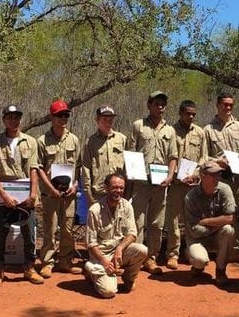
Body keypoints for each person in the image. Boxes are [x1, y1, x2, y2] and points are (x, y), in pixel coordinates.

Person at [0, 105, 44, 288]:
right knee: (1, 232)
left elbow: (34, 168)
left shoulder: (30, 142)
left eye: (17, 117)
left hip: (26, 195)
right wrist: (3, 195)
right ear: (4, 120)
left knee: (29, 233)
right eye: (9, 117)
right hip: (4, 195)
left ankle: (29, 267)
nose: (13, 120)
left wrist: (33, 194)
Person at [126, 91, 178, 274]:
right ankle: (137, 256)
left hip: (161, 183)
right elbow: (131, 152)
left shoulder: (170, 130)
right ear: (149, 105)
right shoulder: (138, 126)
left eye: (163, 103)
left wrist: (170, 176)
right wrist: (133, 175)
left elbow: (173, 156)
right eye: (156, 103)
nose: (160, 107)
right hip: (141, 182)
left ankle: (151, 258)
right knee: (138, 221)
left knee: (156, 223)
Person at [36, 99, 82, 278]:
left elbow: (78, 166)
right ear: (51, 117)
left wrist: (76, 185)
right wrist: (50, 188)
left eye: (66, 115)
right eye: (59, 116)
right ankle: (47, 262)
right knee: (50, 227)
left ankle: (65, 261)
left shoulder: (74, 139)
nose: (63, 119)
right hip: (50, 194)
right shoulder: (42, 141)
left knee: (68, 228)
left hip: (69, 194)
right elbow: (38, 168)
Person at [84, 174, 148, 298]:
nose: (118, 191)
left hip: (118, 252)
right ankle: (92, 271)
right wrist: (104, 261)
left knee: (142, 250)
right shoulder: (95, 210)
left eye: (121, 188)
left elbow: (132, 233)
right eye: (114, 187)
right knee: (109, 292)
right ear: (106, 188)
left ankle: (128, 278)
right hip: (102, 255)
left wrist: (120, 248)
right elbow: (91, 243)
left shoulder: (127, 206)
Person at [164, 100, 207, 270]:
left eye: (193, 114)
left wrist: (196, 175)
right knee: (173, 220)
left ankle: (191, 252)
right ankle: (172, 254)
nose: (190, 116)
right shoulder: (171, 131)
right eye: (187, 113)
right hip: (176, 184)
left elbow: (204, 157)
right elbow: (169, 156)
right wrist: (174, 175)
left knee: (192, 220)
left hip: (194, 185)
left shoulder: (200, 132)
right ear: (180, 113)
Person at [184, 160, 237, 286]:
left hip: (217, 235)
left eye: (218, 174)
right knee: (199, 260)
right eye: (213, 175)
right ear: (202, 175)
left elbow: (231, 218)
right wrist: (218, 224)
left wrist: (206, 221)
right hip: (197, 239)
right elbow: (194, 230)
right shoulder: (191, 197)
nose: (217, 178)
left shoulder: (225, 189)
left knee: (229, 230)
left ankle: (220, 269)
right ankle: (198, 267)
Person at [203, 92, 239, 205]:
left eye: (231, 105)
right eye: (225, 104)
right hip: (218, 179)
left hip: (238, 180)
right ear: (217, 105)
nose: (228, 107)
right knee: (221, 211)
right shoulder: (208, 130)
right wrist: (218, 161)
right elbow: (203, 157)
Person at [81, 105, 126, 206]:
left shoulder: (122, 139)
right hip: (99, 194)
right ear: (97, 120)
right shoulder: (90, 142)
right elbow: (86, 169)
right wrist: (89, 195)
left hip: (119, 193)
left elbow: (129, 167)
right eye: (105, 119)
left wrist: (128, 192)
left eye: (111, 119)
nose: (108, 122)